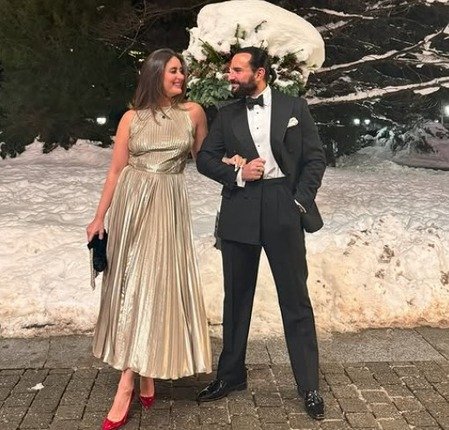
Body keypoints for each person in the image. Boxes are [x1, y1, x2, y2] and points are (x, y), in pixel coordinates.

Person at [196, 46, 326, 420]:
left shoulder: (294, 107)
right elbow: (205, 158)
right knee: (236, 298)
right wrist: (237, 173)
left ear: (259, 72)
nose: (230, 76)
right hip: (240, 207)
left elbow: (315, 158)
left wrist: (299, 200)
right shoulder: (227, 114)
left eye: (237, 70)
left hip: (284, 206)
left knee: (295, 299)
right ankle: (231, 376)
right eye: (230, 70)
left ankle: (309, 385)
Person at [86, 48, 212, 430]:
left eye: (182, 71)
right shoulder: (131, 118)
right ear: (155, 74)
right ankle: (138, 375)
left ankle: (129, 381)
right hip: (132, 205)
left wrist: (235, 164)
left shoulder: (193, 114)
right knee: (133, 286)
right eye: (173, 70)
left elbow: (206, 160)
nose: (180, 76)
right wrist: (99, 217)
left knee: (156, 286)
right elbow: (115, 171)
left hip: (168, 206)